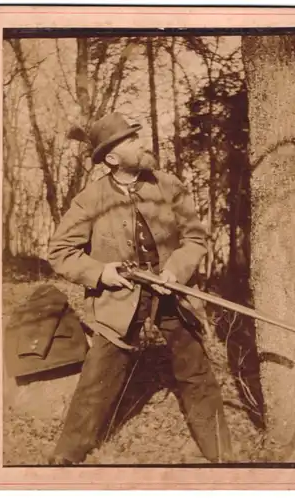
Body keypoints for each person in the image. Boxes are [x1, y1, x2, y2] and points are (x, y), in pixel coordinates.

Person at [47, 112, 232, 465]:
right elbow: (59, 252)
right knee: (98, 378)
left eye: (137, 137)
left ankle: (222, 456)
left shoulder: (168, 185)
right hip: (118, 297)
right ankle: (65, 460)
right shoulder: (91, 199)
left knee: (195, 370)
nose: (140, 143)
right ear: (112, 158)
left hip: (171, 293)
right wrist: (101, 273)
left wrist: (176, 270)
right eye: (130, 140)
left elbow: (195, 238)